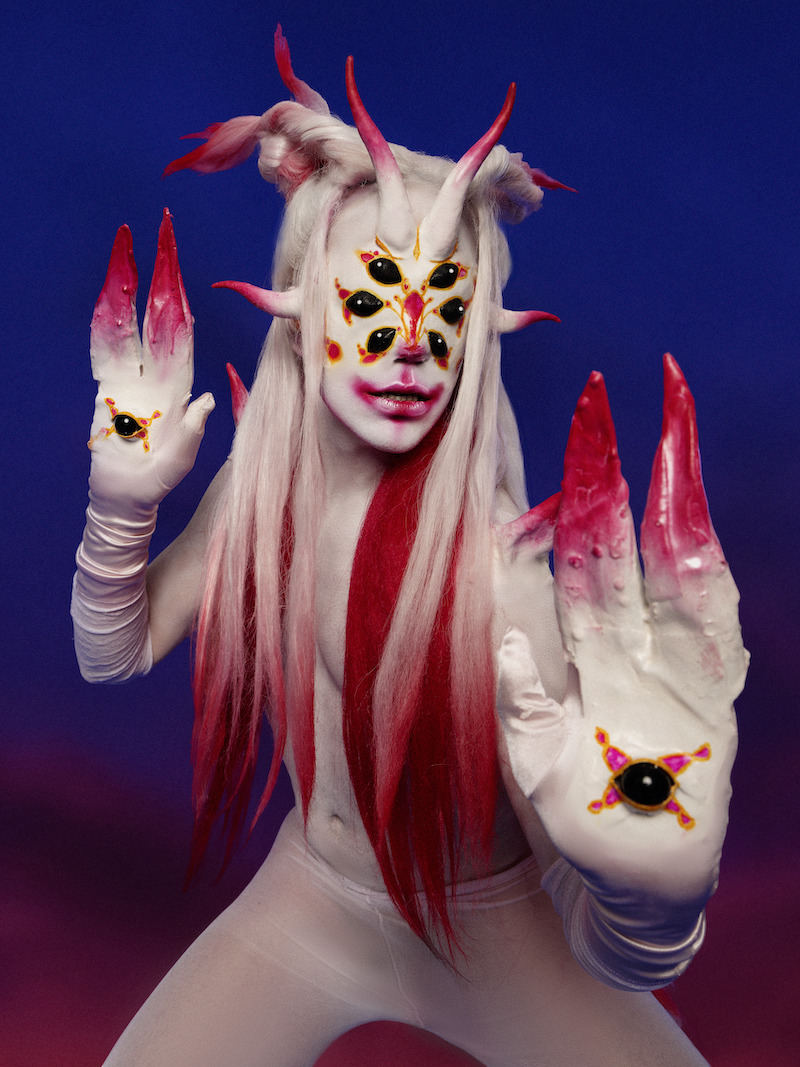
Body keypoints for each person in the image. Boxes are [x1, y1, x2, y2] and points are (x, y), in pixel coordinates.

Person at [72, 30, 747, 1067]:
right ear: (301, 303)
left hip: (493, 932)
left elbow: (594, 922)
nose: (410, 350)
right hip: (313, 899)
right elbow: (110, 653)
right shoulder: (264, 493)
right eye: (372, 298)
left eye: (446, 315)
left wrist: (650, 900)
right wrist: (120, 503)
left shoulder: (500, 579)